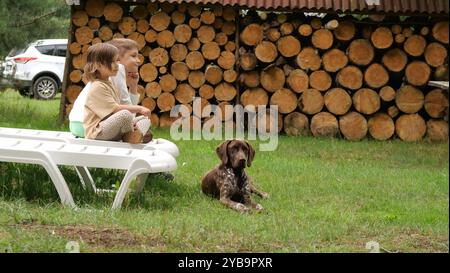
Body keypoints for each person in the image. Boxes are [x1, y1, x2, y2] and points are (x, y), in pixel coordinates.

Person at [69, 38, 152, 142]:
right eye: (133, 56)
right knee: (126, 114)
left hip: (87, 124)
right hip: (84, 125)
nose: (138, 60)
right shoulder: (113, 74)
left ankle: (133, 135)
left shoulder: (107, 80)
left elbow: (126, 107)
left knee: (143, 119)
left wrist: (133, 86)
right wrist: (139, 111)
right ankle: (131, 135)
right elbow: (124, 110)